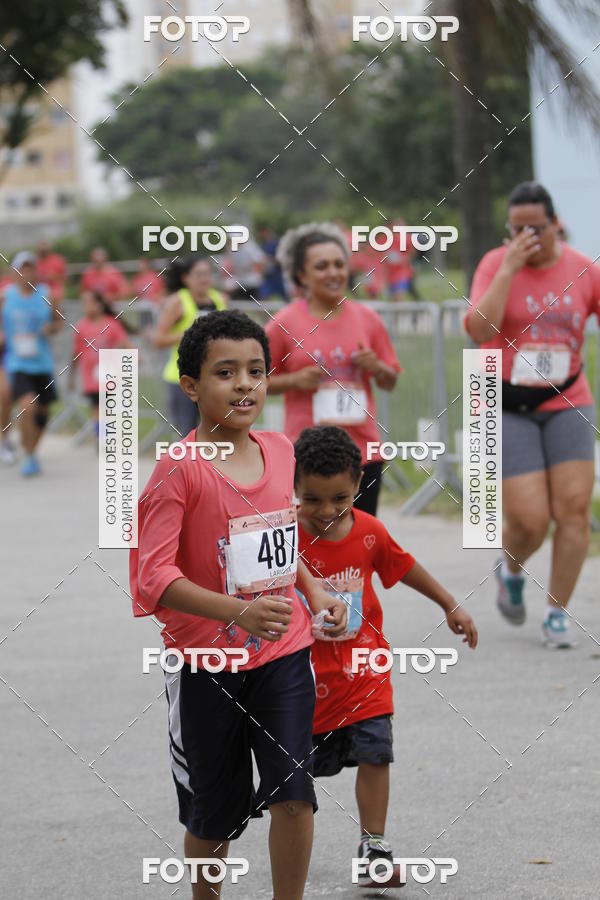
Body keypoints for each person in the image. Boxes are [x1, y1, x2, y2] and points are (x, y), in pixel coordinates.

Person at [130, 310, 347, 900]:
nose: (245, 384)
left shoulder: (280, 450)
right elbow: (153, 577)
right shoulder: (178, 470)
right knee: (213, 817)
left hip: (283, 655)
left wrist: (315, 588)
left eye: (257, 370)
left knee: (295, 798)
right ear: (192, 386)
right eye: (226, 372)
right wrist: (235, 613)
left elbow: (280, 538)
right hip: (207, 667)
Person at [293, 426, 477, 889]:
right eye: (312, 499)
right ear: (293, 488)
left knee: (377, 752)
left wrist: (448, 603)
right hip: (303, 676)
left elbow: (404, 565)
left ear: (358, 485)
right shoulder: (284, 537)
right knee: (294, 775)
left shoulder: (371, 533)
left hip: (365, 670)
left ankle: (374, 845)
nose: (327, 511)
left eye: (339, 497)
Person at [466, 181, 600, 648]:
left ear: (555, 224)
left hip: (568, 399)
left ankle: (557, 612)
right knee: (529, 520)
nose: (528, 236)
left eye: (536, 228)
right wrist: (508, 269)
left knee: (575, 512)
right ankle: (510, 567)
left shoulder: (583, 269)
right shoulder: (494, 263)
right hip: (505, 401)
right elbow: (477, 328)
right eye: (517, 228)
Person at [266, 223, 401, 517]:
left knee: (361, 541)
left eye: (339, 264)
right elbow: (256, 382)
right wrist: (294, 380)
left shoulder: (368, 318)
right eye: (322, 266)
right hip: (307, 453)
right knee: (315, 545)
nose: (333, 273)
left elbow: (390, 380)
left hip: (362, 452)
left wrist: (376, 366)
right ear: (302, 275)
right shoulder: (284, 323)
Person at [1, 251, 63, 476]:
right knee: (27, 406)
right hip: (17, 362)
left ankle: (31, 452)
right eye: (22, 269)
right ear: (14, 272)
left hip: (43, 364)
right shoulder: (5, 296)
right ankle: (28, 455)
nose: (27, 273)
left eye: (31, 268)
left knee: (43, 413)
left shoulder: (48, 295)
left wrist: (51, 329)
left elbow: (59, 322)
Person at [153, 256, 227, 436]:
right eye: (199, 274)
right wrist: (190, 333)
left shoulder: (219, 300)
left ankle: (211, 465)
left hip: (213, 378)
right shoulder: (178, 302)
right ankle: (181, 465)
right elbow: (159, 339)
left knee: (216, 432)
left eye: (207, 274)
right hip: (182, 378)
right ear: (186, 278)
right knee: (187, 435)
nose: (204, 279)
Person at [70, 291, 134, 444]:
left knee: (108, 407)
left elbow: (124, 342)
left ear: (99, 305)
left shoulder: (111, 324)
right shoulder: (81, 326)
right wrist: (70, 377)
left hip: (109, 373)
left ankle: (107, 436)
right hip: (90, 376)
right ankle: (102, 438)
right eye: (84, 304)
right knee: (97, 407)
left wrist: (134, 355)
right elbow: (75, 354)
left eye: (89, 303)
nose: (86, 307)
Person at [222, 230, 266, 301]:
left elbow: (260, 261)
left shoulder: (250, 247)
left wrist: (258, 275)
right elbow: (229, 264)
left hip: (252, 281)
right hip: (238, 281)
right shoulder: (230, 248)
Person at [257, 225, 287, 301]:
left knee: (286, 297)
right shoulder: (265, 244)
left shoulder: (277, 243)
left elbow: (281, 259)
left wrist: (270, 259)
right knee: (263, 296)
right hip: (269, 275)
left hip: (278, 275)